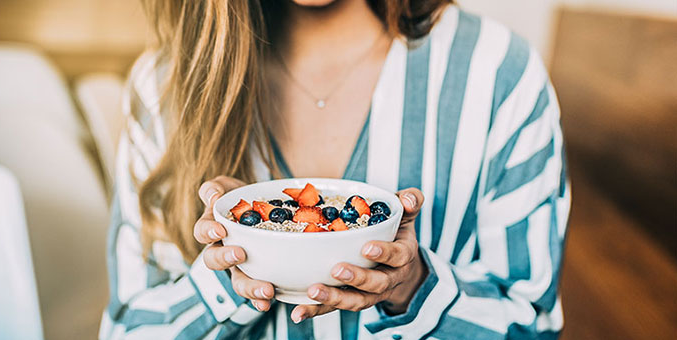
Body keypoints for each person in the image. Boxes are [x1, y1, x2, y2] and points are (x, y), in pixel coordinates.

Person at [99, 0, 570, 339]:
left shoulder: (498, 73)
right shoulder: (165, 87)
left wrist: (413, 287)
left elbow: (531, 324)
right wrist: (229, 270)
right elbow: (129, 329)